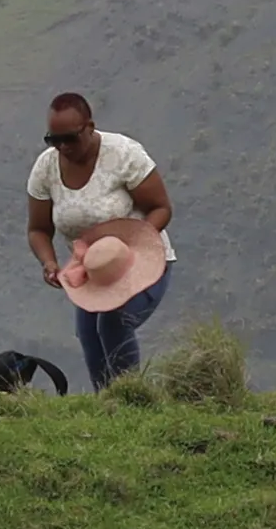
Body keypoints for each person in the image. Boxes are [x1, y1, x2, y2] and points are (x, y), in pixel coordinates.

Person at [22, 94, 178, 386]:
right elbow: (38, 229)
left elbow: (161, 207)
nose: (63, 148)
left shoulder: (123, 154)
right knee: (90, 337)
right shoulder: (46, 168)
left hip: (141, 259)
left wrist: (137, 240)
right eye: (54, 140)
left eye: (70, 138)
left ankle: (130, 399)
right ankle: (107, 409)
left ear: (90, 127)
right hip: (94, 271)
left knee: (114, 322)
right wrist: (49, 263)